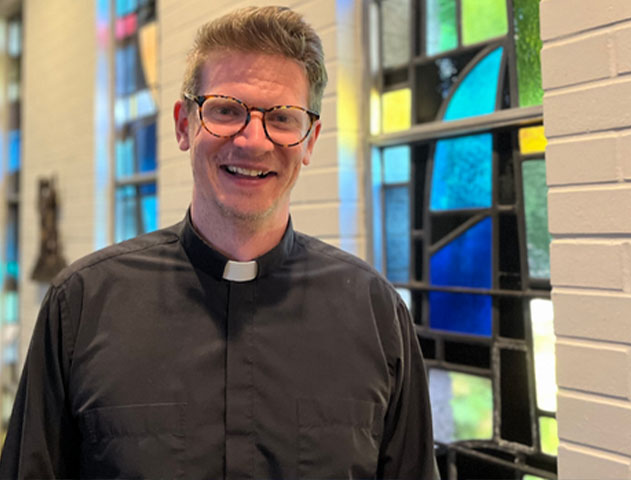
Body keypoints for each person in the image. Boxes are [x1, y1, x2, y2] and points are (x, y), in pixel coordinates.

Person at [0, 6, 439, 479]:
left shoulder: (376, 315)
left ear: (310, 139)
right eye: (226, 111)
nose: (253, 141)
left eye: (284, 118)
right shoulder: (82, 307)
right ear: (184, 124)